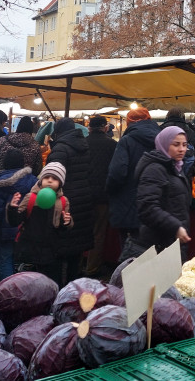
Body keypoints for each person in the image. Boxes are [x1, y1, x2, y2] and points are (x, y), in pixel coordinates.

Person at [125, 126, 192, 261]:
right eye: (176, 144)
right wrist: (175, 227)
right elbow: (147, 207)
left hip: (169, 242)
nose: (182, 149)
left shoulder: (175, 167)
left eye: (184, 145)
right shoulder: (155, 169)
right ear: (164, 144)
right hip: (157, 243)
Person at [44, 118, 93, 285]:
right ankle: (73, 287)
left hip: (65, 201)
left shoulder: (60, 149)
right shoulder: (86, 146)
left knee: (57, 247)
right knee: (76, 248)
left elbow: (51, 179)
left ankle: (56, 289)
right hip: (84, 199)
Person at [8, 162, 73, 286]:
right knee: (27, 285)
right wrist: (12, 209)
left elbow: (63, 230)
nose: (49, 181)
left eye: (54, 178)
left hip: (51, 253)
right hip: (30, 250)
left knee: (50, 285)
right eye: (46, 177)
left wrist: (66, 222)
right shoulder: (30, 197)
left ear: (60, 182)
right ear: (41, 179)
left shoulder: (63, 202)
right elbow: (15, 221)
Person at [107, 107, 161, 248]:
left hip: (130, 204)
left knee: (130, 254)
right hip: (156, 204)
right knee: (152, 251)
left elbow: (117, 173)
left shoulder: (126, 141)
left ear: (130, 123)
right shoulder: (163, 141)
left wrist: (110, 190)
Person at [0, 148, 37, 281]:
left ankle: (8, 293)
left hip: (5, 232)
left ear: (5, 164)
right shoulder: (34, 182)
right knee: (23, 263)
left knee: (5, 261)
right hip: (27, 230)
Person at [84, 115, 117, 277]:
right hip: (103, 196)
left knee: (80, 229)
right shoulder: (112, 145)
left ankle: (77, 264)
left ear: (89, 128)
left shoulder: (83, 143)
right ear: (105, 128)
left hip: (83, 193)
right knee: (98, 233)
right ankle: (92, 268)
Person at [160, 107, 195, 177]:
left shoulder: (159, 131)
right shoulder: (193, 133)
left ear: (167, 117)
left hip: (163, 176)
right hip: (187, 177)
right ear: (183, 117)